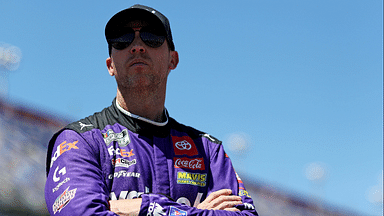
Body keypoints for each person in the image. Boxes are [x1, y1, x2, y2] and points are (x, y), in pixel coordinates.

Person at [45, 4, 258, 216]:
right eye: (122, 39)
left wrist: (143, 207)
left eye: (151, 36)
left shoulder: (209, 151)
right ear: (110, 65)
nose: (137, 46)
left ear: (172, 60)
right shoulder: (79, 141)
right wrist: (192, 213)